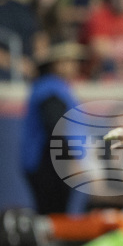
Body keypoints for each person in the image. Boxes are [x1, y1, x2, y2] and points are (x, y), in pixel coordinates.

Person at [20, 41, 85, 214]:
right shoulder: (50, 89)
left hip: (49, 162)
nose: (73, 66)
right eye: (67, 61)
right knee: (53, 213)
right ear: (55, 64)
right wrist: (68, 161)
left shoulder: (55, 88)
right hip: (48, 164)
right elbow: (55, 129)